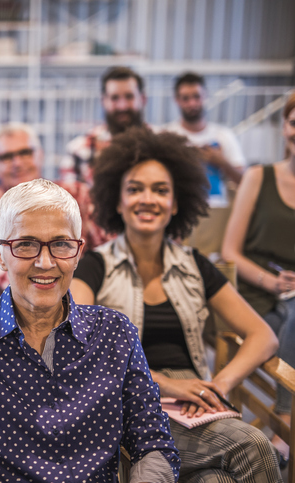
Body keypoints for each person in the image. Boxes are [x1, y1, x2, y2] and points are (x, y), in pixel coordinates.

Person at [0, 178, 180, 482]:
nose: (45, 262)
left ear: (79, 251)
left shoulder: (115, 333)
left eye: (61, 244)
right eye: (25, 245)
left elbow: (153, 444)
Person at [71, 127, 283, 482]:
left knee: (217, 480)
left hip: (194, 398)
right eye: (135, 189)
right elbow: (79, 346)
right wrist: (166, 386)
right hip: (129, 400)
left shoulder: (195, 264)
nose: (147, 199)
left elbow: (264, 336)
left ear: (175, 202)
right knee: (255, 445)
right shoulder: (94, 265)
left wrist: (220, 384)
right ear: (117, 201)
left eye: (160, 190)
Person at [0, 122, 109, 297]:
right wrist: (17, 280)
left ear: (40, 155)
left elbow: (108, 250)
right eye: (6, 157)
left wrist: (81, 284)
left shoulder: (77, 194)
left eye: (25, 153)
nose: (17, 163)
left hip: (77, 300)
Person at [221, 91, 295, 443]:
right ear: (284, 127)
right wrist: (272, 282)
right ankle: (285, 417)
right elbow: (230, 251)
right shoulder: (257, 177)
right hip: (258, 289)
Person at [163, 72, 244, 207]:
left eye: (196, 96)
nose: (192, 103)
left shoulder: (223, 135)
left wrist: (221, 161)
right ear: (176, 100)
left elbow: (244, 181)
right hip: (179, 209)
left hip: (216, 210)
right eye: (185, 98)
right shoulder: (167, 136)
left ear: (205, 96)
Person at [59, 66, 147, 185]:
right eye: (114, 98)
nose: (122, 106)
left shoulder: (162, 147)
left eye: (129, 96)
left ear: (143, 99)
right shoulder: (78, 151)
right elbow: (69, 200)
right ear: (103, 101)